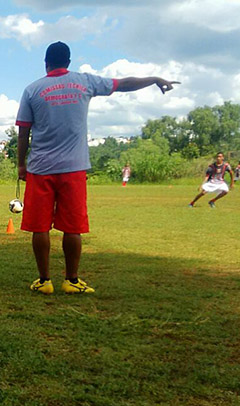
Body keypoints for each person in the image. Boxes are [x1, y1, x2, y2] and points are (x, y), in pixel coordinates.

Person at [16, 41, 178, 294]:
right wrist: (155, 78)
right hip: (74, 168)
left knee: (40, 227)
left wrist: (21, 165)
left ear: (45, 63)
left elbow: (23, 131)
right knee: (72, 227)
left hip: (40, 168)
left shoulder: (32, 90)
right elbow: (124, 84)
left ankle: (44, 281)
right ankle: (71, 280)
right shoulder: (85, 82)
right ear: (68, 62)